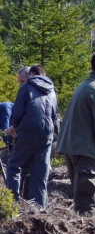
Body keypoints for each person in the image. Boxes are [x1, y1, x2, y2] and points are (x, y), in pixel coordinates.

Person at [55, 51, 95, 215]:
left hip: (74, 148)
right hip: (85, 151)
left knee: (80, 199)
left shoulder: (85, 85)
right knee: (86, 204)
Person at [5, 64, 60, 208]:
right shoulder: (52, 90)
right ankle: (40, 210)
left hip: (28, 132)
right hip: (47, 135)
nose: (21, 84)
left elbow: (17, 112)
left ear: (31, 74)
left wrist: (13, 127)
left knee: (13, 166)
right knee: (40, 172)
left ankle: (12, 207)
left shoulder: (27, 87)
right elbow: (56, 115)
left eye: (22, 81)